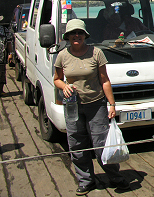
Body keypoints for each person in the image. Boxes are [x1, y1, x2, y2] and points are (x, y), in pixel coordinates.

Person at [53, 19, 130, 195]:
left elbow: (104, 79)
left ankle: (115, 177)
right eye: (73, 33)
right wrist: (64, 86)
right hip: (73, 106)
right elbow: (56, 79)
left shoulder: (97, 53)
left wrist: (112, 104)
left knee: (101, 144)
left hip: (96, 105)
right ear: (68, 37)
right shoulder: (62, 56)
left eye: (79, 33)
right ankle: (86, 181)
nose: (76, 36)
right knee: (77, 144)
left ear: (85, 35)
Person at [0, 16, 12, 97]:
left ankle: (0, 90)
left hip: (2, 57)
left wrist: (10, 53)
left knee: (1, 74)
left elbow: (8, 43)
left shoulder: (5, 30)